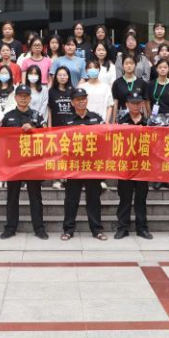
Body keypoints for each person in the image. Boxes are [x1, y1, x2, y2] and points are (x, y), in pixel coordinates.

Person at [0, 85, 48, 240]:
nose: (23, 98)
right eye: (20, 95)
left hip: (32, 162)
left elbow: (47, 136)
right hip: (13, 163)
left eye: (26, 95)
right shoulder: (8, 117)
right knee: (12, 197)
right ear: (15, 98)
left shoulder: (37, 116)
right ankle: (10, 228)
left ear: (30, 98)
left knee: (35, 197)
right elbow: (1, 139)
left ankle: (39, 228)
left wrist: (33, 129)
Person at [60, 88, 107, 241]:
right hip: (74, 166)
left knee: (93, 198)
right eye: (78, 99)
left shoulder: (96, 118)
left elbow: (105, 138)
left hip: (92, 165)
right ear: (72, 102)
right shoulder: (67, 120)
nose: (81, 102)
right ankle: (68, 230)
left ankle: (97, 230)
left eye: (84, 98)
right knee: (71, 199)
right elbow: (61, 143)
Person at [114, 93, 152, 240]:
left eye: (138, 103)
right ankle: (122, 228)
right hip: (126, 166)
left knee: (141, 199)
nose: (135, 106)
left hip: (142, 167)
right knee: (125, 198)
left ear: (142, 104)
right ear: (127, 105)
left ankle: (142, 228)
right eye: (132, 103)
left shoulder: (148, 122)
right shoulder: (121, 121)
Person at [112, 55, 149, 123]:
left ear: (135, 65)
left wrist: (146, 119)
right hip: (122, 116)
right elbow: (115, 103)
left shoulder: (142, 83)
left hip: (138, 116)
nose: (129, 66)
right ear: (122, 66)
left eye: (131, 63)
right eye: (126, 63)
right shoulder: (117, 83)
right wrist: (114, 121)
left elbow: (144, 103)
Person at [78, 59, 115, 123]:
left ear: (99, 70)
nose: (93, 69)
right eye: (90, 68)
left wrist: (106, 122)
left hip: (102, 122)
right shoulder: (81, 87)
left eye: (95, 67)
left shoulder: (106, 87)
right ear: (86, 70)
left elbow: (109, 106)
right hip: (85, 122)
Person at [148, 59, 169, 127]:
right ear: (156, 69)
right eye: (160, 67)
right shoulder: (150, 84)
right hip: (155, 115)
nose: (162, 69)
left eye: (165, 67)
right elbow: (147, 101)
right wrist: (150, 114)